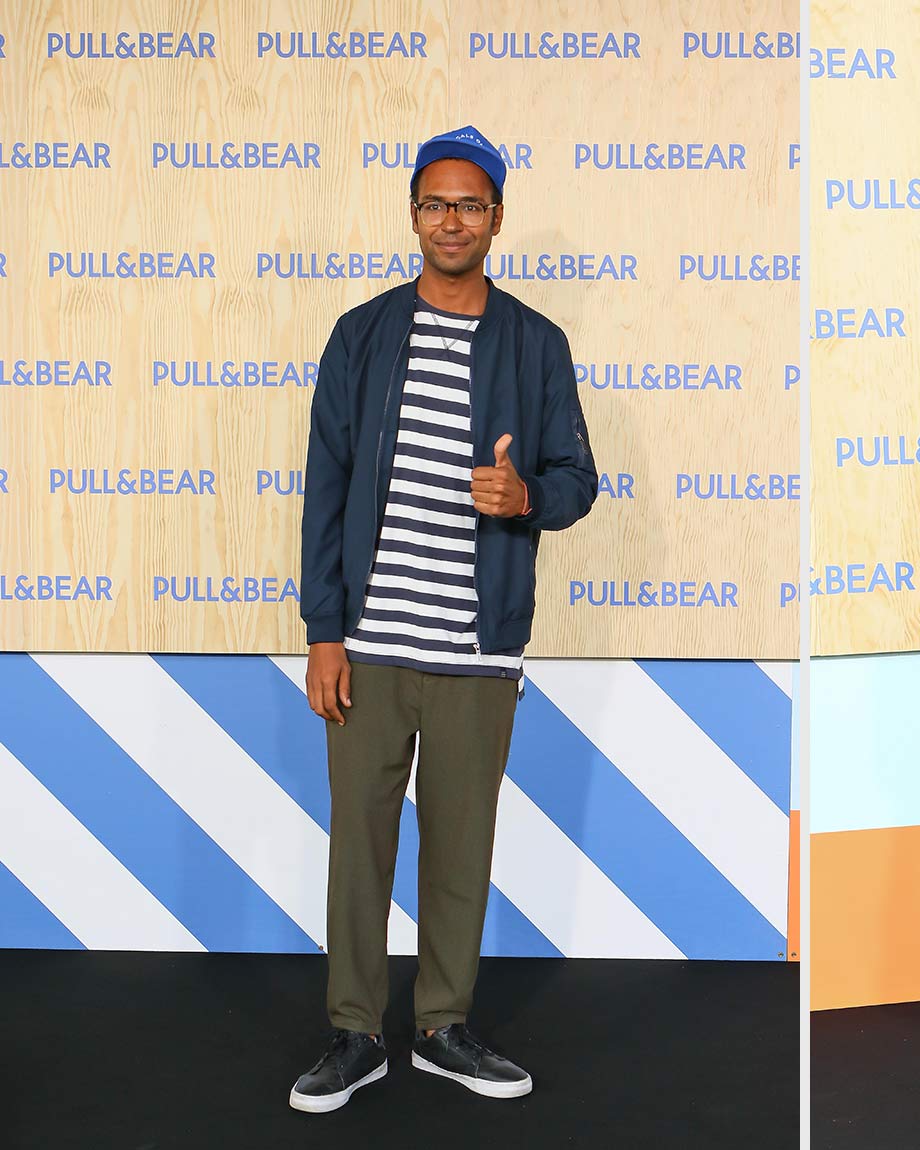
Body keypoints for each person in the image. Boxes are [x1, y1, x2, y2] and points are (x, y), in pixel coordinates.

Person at [288, 125, 599, 1113]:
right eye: (435, 203)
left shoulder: (536, 345)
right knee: (359, 847)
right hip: (369, 649)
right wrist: (324, 631)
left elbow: (578, 478)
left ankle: (441, 1028)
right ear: (413, 215)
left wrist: (526, 497)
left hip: (477, 647)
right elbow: (325, 487)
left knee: (461, 847)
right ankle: (353, 1034)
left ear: (496, 218)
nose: (451, 219)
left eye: (469, 204)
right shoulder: (361, 335)